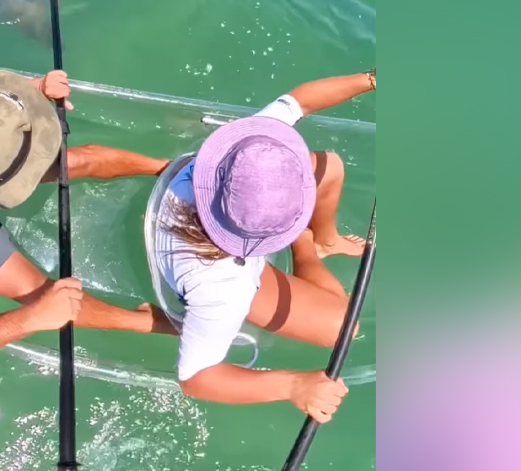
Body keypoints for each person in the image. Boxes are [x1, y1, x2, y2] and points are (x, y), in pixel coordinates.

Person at [0, 67, 178, 355]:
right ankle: (147, 321)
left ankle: (171, 168)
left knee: (77, 160)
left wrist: (38, 88)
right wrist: (36, 317)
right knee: (42, 294)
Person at [153, 68, 375, 423]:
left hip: (184, 206)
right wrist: (293, 385)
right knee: (344, 328)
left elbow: (300, 101)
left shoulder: (245, 152)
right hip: (213, 263)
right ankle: (305, 243)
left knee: (329, 167)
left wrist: (372, 79)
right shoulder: (225, 287)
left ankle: (326, 240)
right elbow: (195, 378)